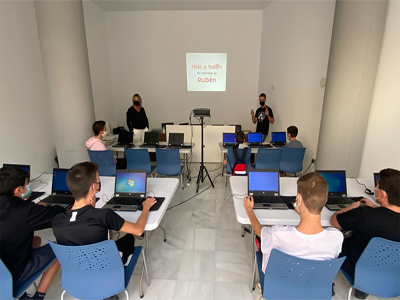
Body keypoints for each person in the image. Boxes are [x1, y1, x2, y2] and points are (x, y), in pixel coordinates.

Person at [244, 172, 343, 291]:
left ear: (299, 199)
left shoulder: (278, 234)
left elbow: (260, 231)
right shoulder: (337, 238)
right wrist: (303, 212)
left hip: (280, 290)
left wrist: (249, 210)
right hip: (314, 292)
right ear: (325, 199)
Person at [52, 162, 156, 268]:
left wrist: (91, 210)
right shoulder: (104, 215)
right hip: (109, 268)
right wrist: (146, 207)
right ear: (93, 186)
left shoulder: (57, 221)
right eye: (98, 179)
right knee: (131, 234)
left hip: (79, 271)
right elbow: (138, 230)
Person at [330, 168, 400, 299]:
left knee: (334, 235)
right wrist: (376, 208)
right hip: (394, 274)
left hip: (358, 268)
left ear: (383, 194)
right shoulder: (373, 214)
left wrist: (353, 206)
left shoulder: (366, 216)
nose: (375, 189)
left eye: (377, 187)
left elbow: (334, 220)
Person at [0, 166, 64, 300]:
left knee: (36, 240)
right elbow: (57, 214)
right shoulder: (24, 211)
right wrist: (41, 208)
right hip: (12, 275)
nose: (29, 187)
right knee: (62, 246)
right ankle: (38, 296)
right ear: (17, 190)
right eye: (26, 185)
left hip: (3, 268)